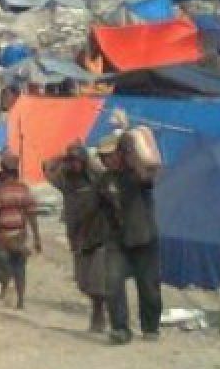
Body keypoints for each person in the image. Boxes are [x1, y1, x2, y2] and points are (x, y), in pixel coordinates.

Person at [95, 130, 163, 345]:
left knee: (149, 287)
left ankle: (150, 327)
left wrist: (130, 142)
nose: (107, 161)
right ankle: (120, 329)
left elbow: (148, 172)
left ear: (121, 155)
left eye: (110, 156)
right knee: (113, 283)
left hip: (144, 237)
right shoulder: (104, 181)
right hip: (117, 240)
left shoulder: (137, 175)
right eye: (103, 158)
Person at [43, 143, 108, 332]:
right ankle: (100, 306)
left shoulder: (95, 180)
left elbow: (105, 174)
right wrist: (62, 157)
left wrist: (88, 159)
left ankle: (99, 313)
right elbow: (47, 167)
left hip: (97, 235)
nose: (74, 165)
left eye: (77, 160)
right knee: (82, 282)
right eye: (71, 161)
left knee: (97, 279)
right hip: (77, 236)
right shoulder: (66, 183)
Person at [0, 153, 41, 309]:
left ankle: (6, 289)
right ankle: (20, 300)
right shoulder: (24, 189)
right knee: (20, 268)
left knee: (5, 265)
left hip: (2, 235)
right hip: (20, 234)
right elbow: (32, 214)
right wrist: (37, 237)